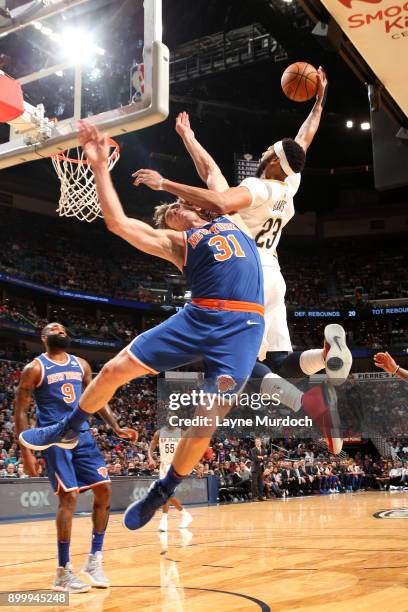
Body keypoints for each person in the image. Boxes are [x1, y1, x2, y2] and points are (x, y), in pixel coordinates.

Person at [19, 121, 336, 532]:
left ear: (195, 208)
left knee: (208, 416)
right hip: (199, 316)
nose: (173, 214)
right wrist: (99, 169)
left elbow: (217, 170)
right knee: (115, 369)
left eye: (174, 208)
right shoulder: (179, 244)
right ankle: (68, 427)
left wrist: (187, 140)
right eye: (168, 216)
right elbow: (119, 224)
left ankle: (164, 490)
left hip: (242, 328)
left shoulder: (231, 214)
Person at [139, 78, 353, 454]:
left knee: (235, 365)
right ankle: (325, 356)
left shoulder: (257, 189)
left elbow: (218, 195)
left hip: (246, 278)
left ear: (272, 162)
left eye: (268, 150)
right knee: (277, 362)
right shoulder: (289, 184)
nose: (264, 150)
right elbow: (301, 141)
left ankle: (310, 405)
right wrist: (319, 101)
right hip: (273, 274)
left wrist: (165, 184)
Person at [15, 322, 138, 593]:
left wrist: (115, 425)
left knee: (104, 490)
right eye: (54, 328)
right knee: (68, 498)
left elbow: (98, 396)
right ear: (44, 337)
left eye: (63, 328)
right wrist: (26, 450)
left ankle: (94, 560)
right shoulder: (34, 369)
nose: (60, 330)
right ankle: (63, 571)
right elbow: (21, 410)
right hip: (54, 438)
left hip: (83, 436)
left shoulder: (81, 364)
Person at [148, 426, 193, 531]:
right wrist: (150, 459)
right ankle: (185, 515)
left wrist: (194, 464)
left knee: (166, 492)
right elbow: (151, 448)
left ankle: (164, 521)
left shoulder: (181, 433)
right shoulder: (159, 433)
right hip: (163, 466)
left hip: (176, 465)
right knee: (166, 494)